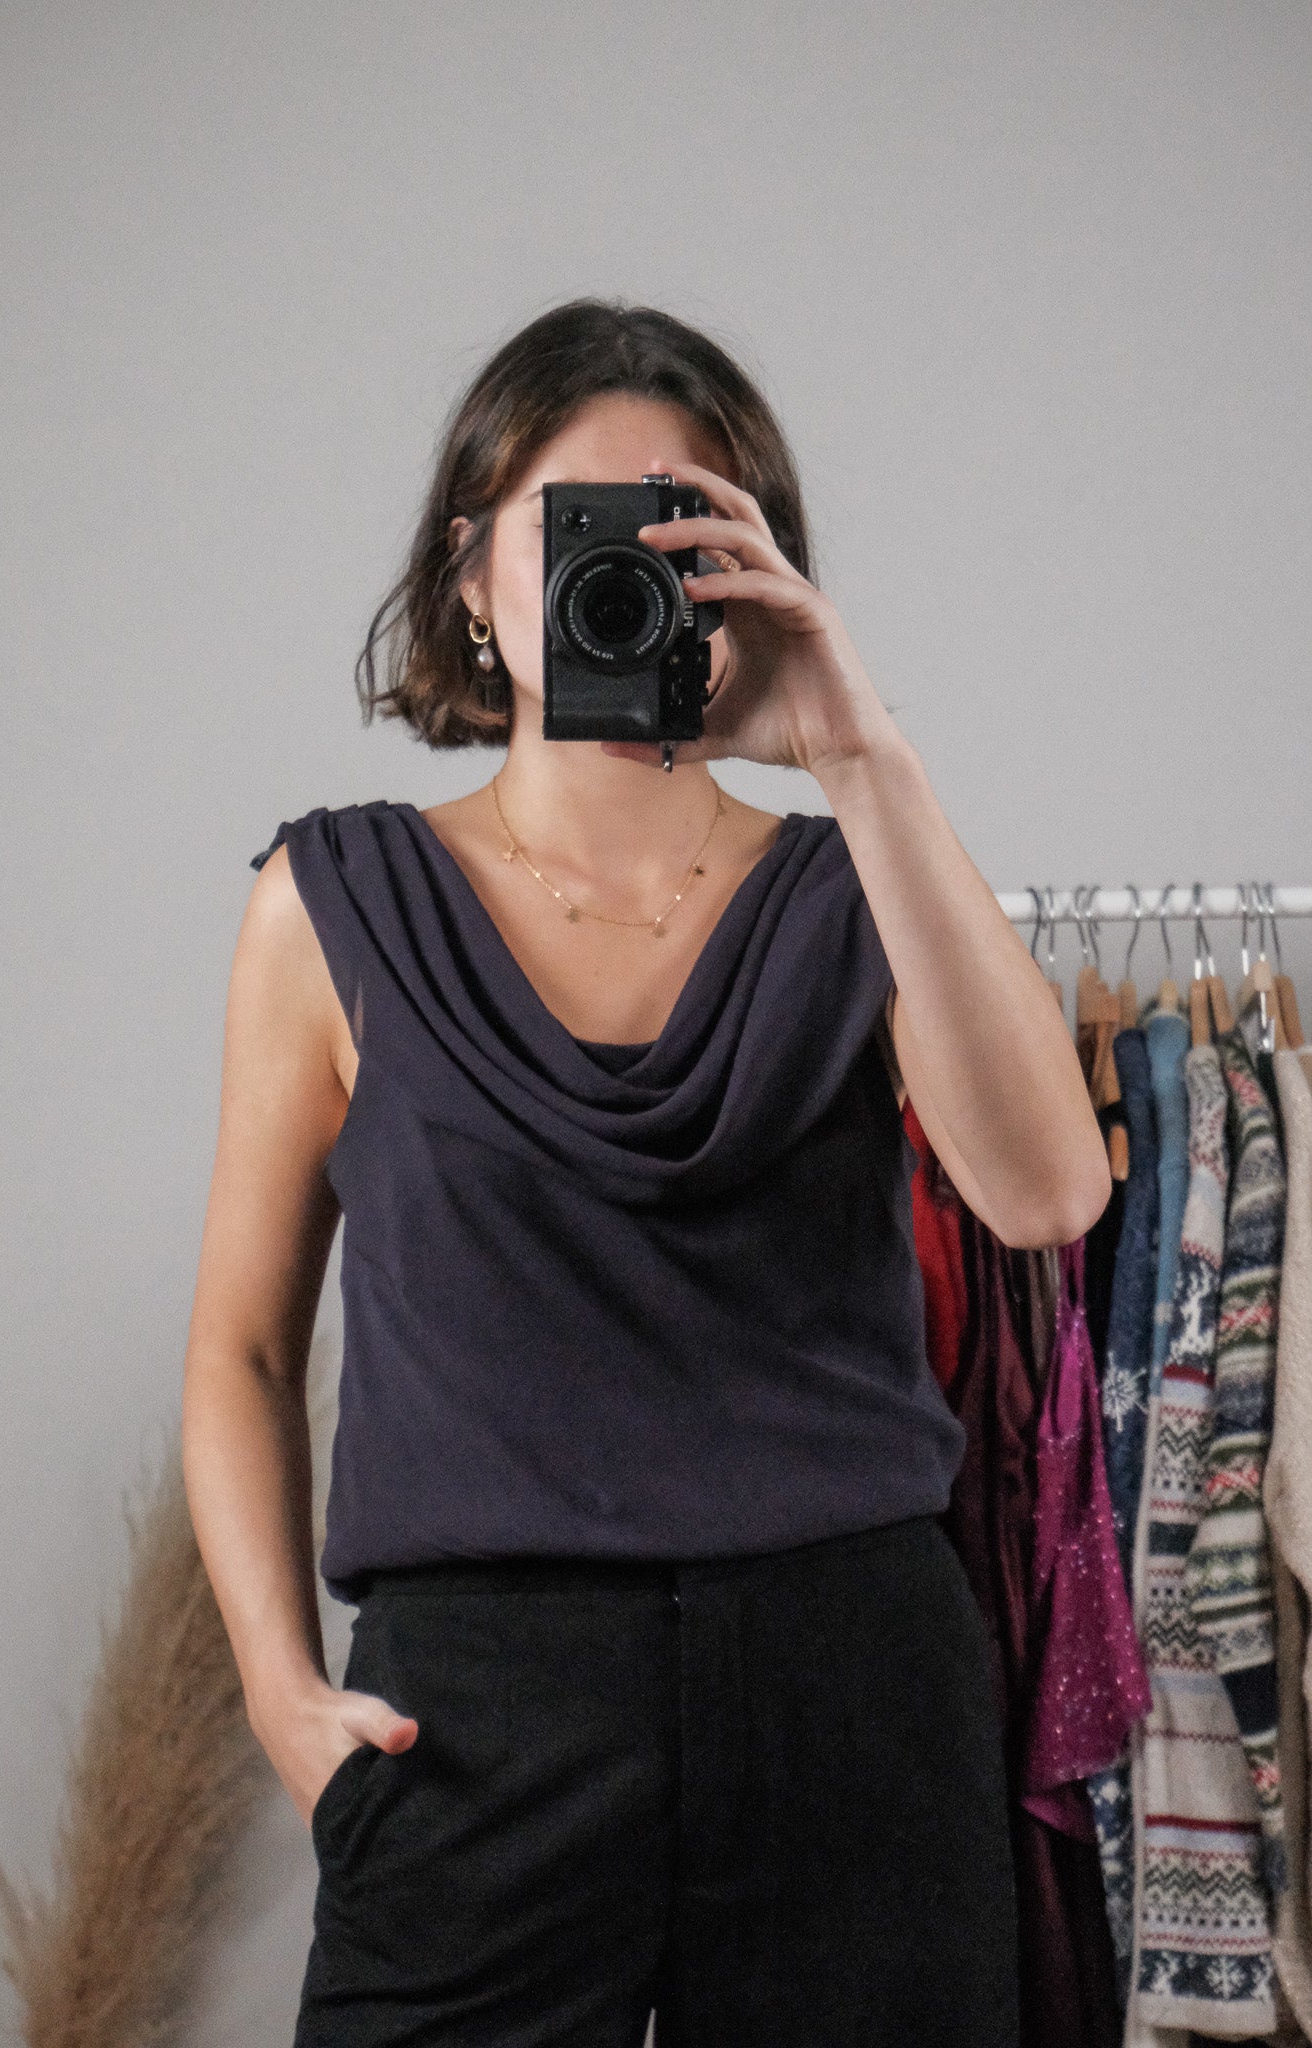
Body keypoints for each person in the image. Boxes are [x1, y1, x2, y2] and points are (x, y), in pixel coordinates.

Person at [182, 297, 1111, 2047]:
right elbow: (239, 1346)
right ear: (469, 571)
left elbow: (1047, 1197)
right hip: (481, 1707)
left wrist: (857, 752)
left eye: (683, 531)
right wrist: (278, 1693)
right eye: (575, 527)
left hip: (850, 1681)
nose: (627, 572)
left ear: (753, 572)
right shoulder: (332, 904)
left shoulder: (850, 890)